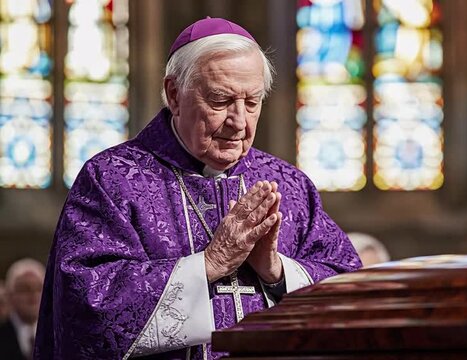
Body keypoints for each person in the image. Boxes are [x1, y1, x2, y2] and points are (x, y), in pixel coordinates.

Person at [34, 17, 361, 359]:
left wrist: (277, 272)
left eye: (252, 102)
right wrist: (209, 264)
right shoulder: (112, 180)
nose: (239, 122)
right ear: (175, 95)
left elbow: (349, 288)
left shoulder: (290, 185)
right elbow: (84, 305)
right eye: (220, 101)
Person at [0, 258, 45, 360]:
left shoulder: (59, 337)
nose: (33, 295)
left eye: (39, 288)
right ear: (10, 295)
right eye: (25, 289)